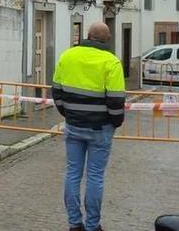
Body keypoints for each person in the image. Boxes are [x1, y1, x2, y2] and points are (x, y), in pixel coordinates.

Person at [52, 23, 125, 231]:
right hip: (100, 128)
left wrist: (68, 113)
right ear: (106, 40)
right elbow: (116, 100)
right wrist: (114, 122)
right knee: (95, 176)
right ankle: (93, 226)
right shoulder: (111, 62)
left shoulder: (67, 56)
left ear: (88, 36)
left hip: (74, 125)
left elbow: (56, 92)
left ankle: (74, 223)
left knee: (72, 173)